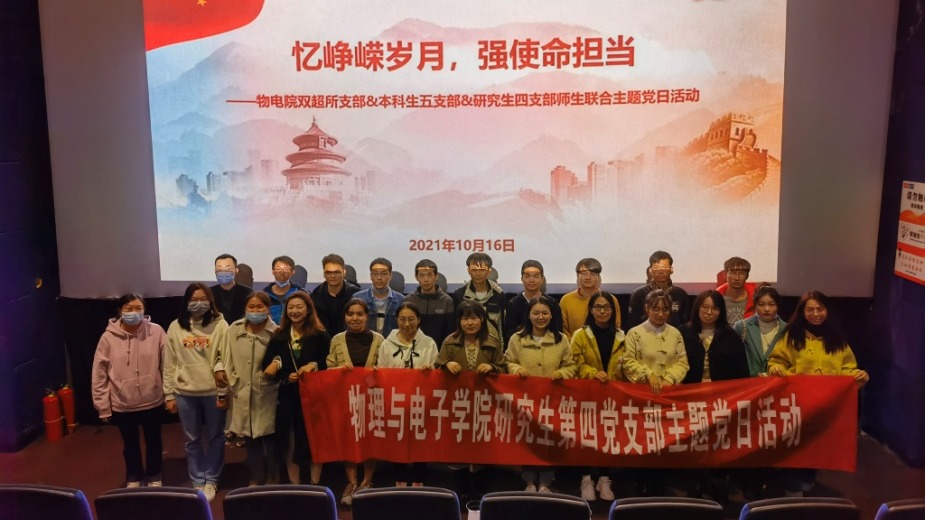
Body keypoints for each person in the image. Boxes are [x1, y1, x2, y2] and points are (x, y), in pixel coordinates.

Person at [767, 290, 869, 496]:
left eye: (820, 309)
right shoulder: (791, 336)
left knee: (816, 447)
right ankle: (792, 488)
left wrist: (857, 375)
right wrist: (775, 367)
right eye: (810, 310)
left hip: (825, 407)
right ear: (802, 312)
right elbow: (776, 360)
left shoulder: (837, 340)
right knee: (796, 446)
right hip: (798, 405)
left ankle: (806, 480)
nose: (815, 314)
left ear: (827, 311)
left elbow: (847, 368)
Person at [679, 290, 750, 501]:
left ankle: (717, 484)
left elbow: (741, 373)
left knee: (718, 443)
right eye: (705, 307)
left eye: (715, 308)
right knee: (694, 443)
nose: (709, 312)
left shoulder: (731, 336)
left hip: (721, 401)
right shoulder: (683, 333)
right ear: (697, 309)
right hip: (690, 400)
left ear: (721, 311)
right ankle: (695, 484)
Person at [92, 293, 167, 488]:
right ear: (120, 311)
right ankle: (134, 475)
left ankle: (155, 475)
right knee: (130, 443)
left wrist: (170, 394)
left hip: (152, 399)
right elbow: (99, 373)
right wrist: (102, 406)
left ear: (144, 310)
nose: (134, 313)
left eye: (138, 308)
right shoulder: (107, 337)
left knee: (154, 441)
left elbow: (167, 365)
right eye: (129, 309)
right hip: (123, 403)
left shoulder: (157, 331)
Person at [163, 283, 229, 501]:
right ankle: (198, 479)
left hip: (212, 391)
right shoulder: (175, 326)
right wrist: (169, 394)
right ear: (186, 302)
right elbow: (169, 363)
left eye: (203, 299)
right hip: (185, 392)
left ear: (210, 301)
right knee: (191, 439)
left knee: (217, 436)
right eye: (193, 299)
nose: (198, 303)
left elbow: (225, 358)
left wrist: (223, 392)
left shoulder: (220, 325)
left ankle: (212, 479)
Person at [505, 296, 577, 493]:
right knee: (528, 440)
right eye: (536, 313)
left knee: (548, 441)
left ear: (551, 315)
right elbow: (508, 361)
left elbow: (571, 365)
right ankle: (529, 482)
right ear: (528, 315)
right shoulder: (517, 338)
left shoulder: (561, 339)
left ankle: (546, 482)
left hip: (552, 400)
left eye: (545, 313)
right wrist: (516, 369)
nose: (540, 317)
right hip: (525, 399)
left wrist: (562, 373)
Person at [622, 289, 689, 496]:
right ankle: (641, 482)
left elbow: (682, 362)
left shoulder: (675, 333)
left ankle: (660, 483)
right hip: (642, 396)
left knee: (664, 439)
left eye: (665, 309)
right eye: (655, 309)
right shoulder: (635, 333)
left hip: (668, 396)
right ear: (646, 309)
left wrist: (669, 379)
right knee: (643, 439)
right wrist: (648, 374)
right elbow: (628, 361)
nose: (660, 314)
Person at [262, 291, 331, 485]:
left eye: (299, 307)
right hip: (288, 396)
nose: (294, 311)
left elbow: (329, 361)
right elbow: (267, 365)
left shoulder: (320, 334)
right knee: (290, 441)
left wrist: (314, 366)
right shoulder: (280, 335)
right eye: (290, 307)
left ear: (308, 309)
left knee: (314, 440)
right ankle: (295, 484)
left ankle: (315, 484)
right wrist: (285, 376)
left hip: (314, 397)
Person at [326, 298, 384, 505]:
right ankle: (351, 482)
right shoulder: (337, 340)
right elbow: (329, 368)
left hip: (371, 397)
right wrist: (339, 371)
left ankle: (367, 481)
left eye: (360, 314)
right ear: (345, 317)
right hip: (345, 398)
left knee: (370, 439)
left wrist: (371, 376)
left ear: (367, 316)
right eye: (350, 314)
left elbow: (385, 369)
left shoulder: (379, 339)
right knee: (348, 439)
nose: (355, 318)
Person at [218, 291, 279, 486]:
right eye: (251, 307)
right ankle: (256, 476)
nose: (255, 311)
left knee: (270, 437)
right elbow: (226, 357)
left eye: (260, 307)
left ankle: (273, 476)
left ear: (268, 309)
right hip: (242, 391)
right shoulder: (234, 329)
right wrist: (228, 385)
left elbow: (281, 358)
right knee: (250, 437)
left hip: (266, 393)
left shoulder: (277, 332)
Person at [570, 291, 626, 501]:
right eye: (598, 307)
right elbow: (574, 363)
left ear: (613, 310)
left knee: (608, 437)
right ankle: (586, 478)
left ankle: (604, 477)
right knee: (586, 437)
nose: (602, 311)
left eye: (606, 307)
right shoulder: (580, 335)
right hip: (586, 395)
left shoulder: (622, 336)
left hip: (612, 396)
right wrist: (593, 373)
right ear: (591, 310)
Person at [377, 301, 438, 486]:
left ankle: (419, 479)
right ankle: (400, 478)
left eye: (411, 319)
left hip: (421, 402)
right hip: (396, 402)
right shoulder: (386, 344)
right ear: (396, 320)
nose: (406, 324)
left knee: (420, 439)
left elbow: (436, 372)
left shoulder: (429, 343)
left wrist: (430, 371)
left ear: (418, 320)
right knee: (398, 439)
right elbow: (381, 372)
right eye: (402, 319)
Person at [733, 285, 788, 377]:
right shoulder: (741, 327)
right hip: (748, 382)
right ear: (755, 306)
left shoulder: (786, 329)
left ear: (778, 306)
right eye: (761, 304)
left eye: (771, 304)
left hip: (777, 381)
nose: (766, 309)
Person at [626, 251, 690, 329]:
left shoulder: (681, 294)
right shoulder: (638, 294)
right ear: (650, 270)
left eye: (664, 267)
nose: (660, 271)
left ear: (671, 269)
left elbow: (685, 323)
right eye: (656, 268)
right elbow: (632, 323)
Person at [452, 253, 507, 344]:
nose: (478, 274)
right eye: (474, 270)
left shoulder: (499, 295)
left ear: (489, 271)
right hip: (466, 346)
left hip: (493, 347)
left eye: (482, 270)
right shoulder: (460, 295)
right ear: (468, 270)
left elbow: (503, 327)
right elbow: (456, 327)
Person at [503, 260, 562, 341]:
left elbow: (558, 331)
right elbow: (509, 334)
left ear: (542, 279)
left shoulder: (552, 303)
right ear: (522, 279)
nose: (531, 280)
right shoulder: (513, 304)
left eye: (536, 276)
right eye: (527, 276)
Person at [560, 258, 621, 335]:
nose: (588, 277)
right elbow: (563, 331)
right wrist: (577, 341)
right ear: (577, 276)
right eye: (583, 273)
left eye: (592, 274)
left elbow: (616, 327)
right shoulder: (566, 300)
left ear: (598, 277)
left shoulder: (610, 299)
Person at [403, 259, 455, 346]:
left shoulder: (446, 301)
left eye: (429, 275)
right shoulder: (409, 300)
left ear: (436, 276)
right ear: (416, 277)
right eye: (421, 275)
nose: (426, 279)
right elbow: (405, 329)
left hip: (440, 350)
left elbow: (450, 333)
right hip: (413, 349)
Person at [311, 253, 361, 336]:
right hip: (322, 340)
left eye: (337, 272)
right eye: (328, 272)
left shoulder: (355, 294)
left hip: (351, 339)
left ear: (344, 272)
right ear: (324, 274)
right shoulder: (316, 295)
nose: (333, 276)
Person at [355, 258, 405, 337]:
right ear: (371, 276)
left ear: (390, 276)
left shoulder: (401, 300)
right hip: (364, 342)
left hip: (392, 343)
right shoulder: (358, 298)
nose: (379, 277)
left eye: (384, 274)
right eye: (375, 274)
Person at [211, 253, 253, 324]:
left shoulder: (247, 292)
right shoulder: (209, 292)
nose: (223, 272)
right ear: (215, 271)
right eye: (219, 269)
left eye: (228, 269)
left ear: (236, 270)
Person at [716, 257, 757, 325]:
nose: (737, 278)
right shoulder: (716, 299)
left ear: (747, 276)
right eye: (733, 273)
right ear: (725, 274)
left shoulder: (756, 297)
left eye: (742, 273)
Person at [263, 255, 302, 324]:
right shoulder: (264, 294)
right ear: (273, 271)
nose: (282, 273)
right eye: (278, 269)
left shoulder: (300, 293)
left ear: (293, 272)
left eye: (286, 269)